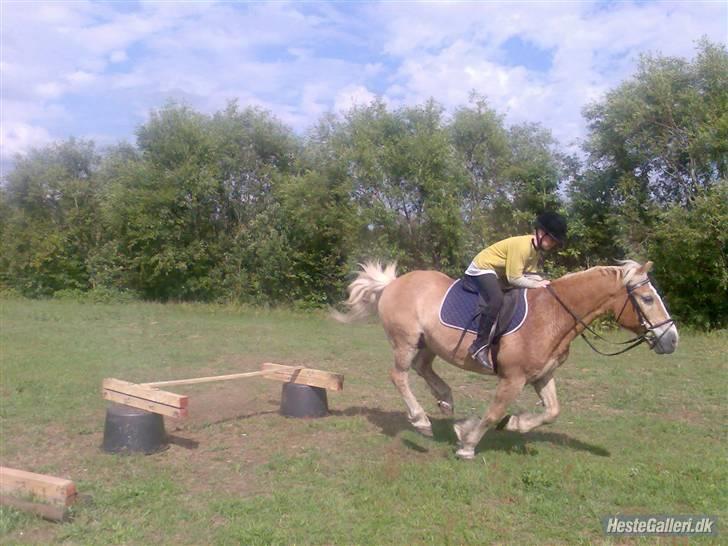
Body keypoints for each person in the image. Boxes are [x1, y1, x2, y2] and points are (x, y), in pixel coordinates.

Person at [464, 211, 567, 368]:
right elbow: (515, 278)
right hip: (482, 268)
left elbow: (530, 274)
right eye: (552, 239)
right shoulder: (522, 246)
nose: (553, 244)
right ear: (541, 232)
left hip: (497, 273)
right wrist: (537, 284)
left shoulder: (535, 251)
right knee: (496, 299)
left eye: (554, 241)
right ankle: (479, 345)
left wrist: (548, 284)